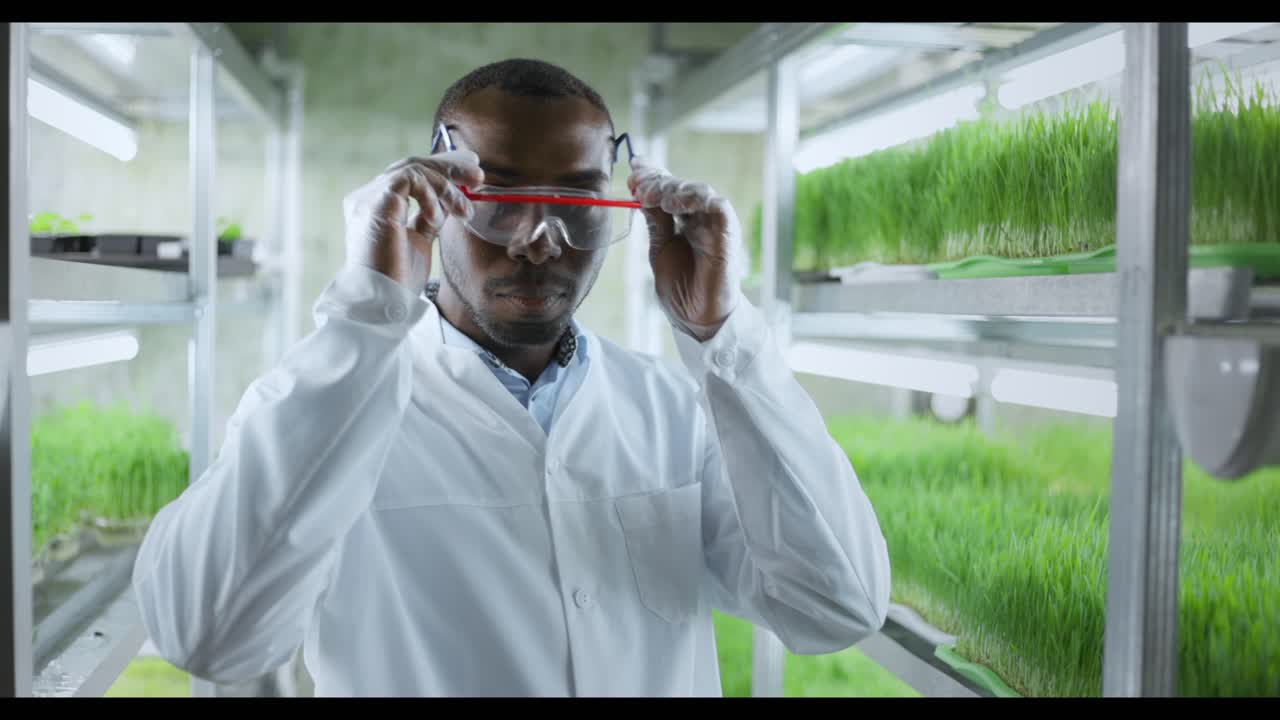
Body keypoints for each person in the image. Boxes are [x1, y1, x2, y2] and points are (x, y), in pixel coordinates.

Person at [132, 58, 890, 697]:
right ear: (431, 198)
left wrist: (723, 338)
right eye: (497, 197)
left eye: (576, 202)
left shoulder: (671, 408)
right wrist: (368, 314)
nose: (537, 240)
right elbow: (208, 634)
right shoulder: (328, 407)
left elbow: (839, 605)